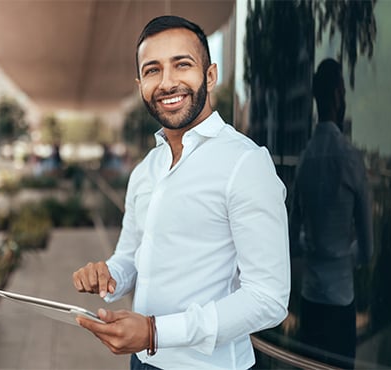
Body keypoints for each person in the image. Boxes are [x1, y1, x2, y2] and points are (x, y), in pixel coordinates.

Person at [72, 15, 290, 369]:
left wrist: (156, 332)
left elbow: (268, 299)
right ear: (140, 83)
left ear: (210, 75)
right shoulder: (145, 170)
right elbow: (130, 256)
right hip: (142, 361)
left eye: (182, 65)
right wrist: (108, 274)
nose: (168, 82)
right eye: (153, 70)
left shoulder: (245, 163)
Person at [289, 58, 373, 368]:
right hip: (340, 302)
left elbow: (292, 240)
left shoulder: (304, 161)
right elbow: (367, 249)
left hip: (311, 300)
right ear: (339, 95)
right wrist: (343, 253)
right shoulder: (350, 159)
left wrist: (315, 246)